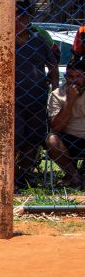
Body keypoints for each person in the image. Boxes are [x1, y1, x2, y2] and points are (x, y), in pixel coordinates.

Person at [0, 0, 58, 187]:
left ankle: (23, 176)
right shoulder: (2, 39)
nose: (19, 21)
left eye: (23, 17)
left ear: (27, 19)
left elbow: (53, 65)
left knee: (33, 140)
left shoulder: (40, 39)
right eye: (15, 16)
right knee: (12, 138)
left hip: (37, 98)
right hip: (12, 100)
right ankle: (9, 177)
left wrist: (55, 89)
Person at [46, 55, 85, 188]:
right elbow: (56, 127)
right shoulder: (57, 94)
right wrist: (69, 101)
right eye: (70, 77)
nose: (74, 81)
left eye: (78, 77)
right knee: (51, 140)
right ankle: (74, 176)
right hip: (69, 139)